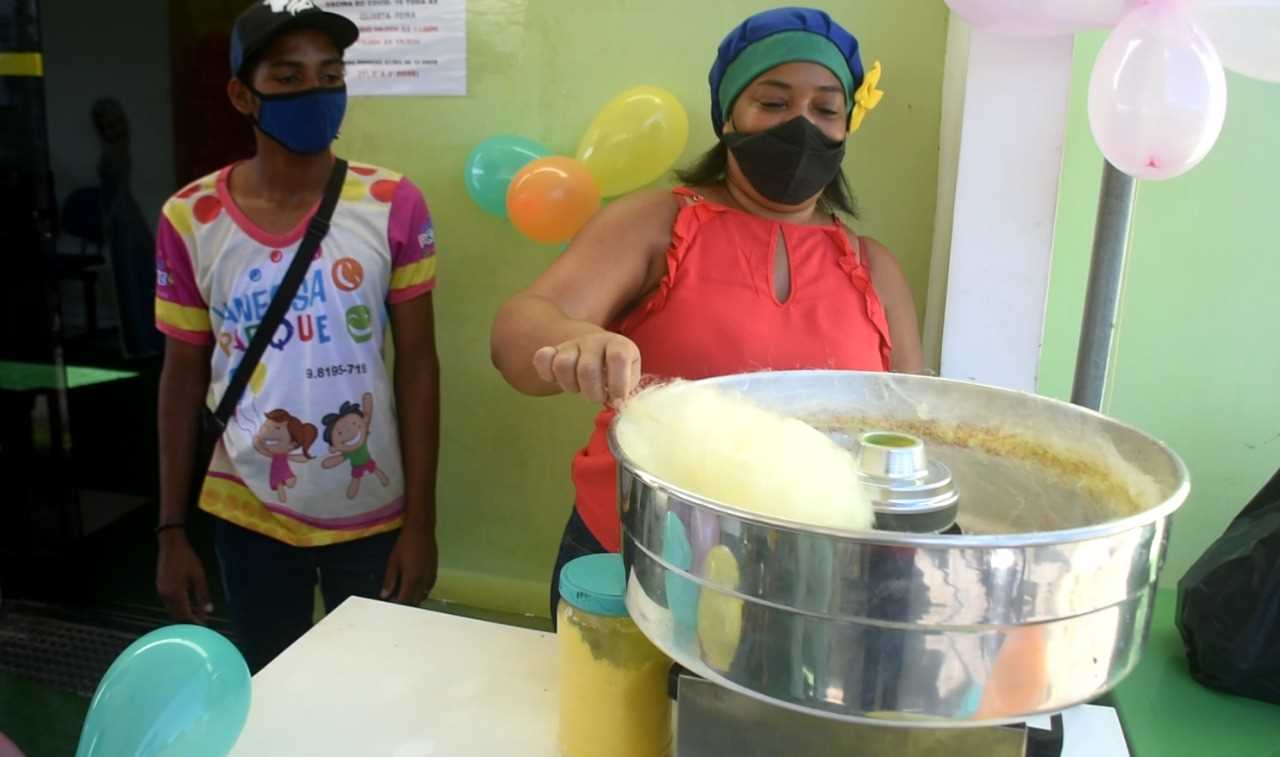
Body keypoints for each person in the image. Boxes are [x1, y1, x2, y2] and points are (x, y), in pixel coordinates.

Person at [489, 7, 923, 621]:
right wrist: (571, 338)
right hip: (642, 560)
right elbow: (516, 335)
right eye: (773, 103)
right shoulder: (657, 223)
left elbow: (912, 436)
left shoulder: (873, 267)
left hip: (811, 588)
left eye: (826, 109)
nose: (801, 124)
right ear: (728, 117)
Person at [154, 0, 441, 672]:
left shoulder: (392, 204)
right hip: (247, 507)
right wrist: (171, 528)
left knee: (373, 684)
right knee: (270, 682)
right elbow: (181, 377)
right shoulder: (191, 218)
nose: (315, 92)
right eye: (288, 78)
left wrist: (422, 523)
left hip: (370, 508)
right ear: (242, 95)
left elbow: (418, 366)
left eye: (330, 75)